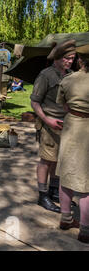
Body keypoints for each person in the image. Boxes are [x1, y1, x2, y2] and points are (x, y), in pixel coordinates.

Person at [30, 40, 76, 213]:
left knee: (58, 160)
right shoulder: (45, 76)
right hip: (49, 125)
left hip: (66, 125)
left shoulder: (70, 75)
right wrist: (46, 119)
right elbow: (34, 102)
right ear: (57, 58)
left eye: (72, 58)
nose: (70, 61)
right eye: (67, 58)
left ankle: (54, 191)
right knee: (47, 160)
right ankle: (42, 196)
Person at [55, 53, 89, 243]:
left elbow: (63, 105)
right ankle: (85, 229)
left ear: (81, 61)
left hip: (71, 127)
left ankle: (66, 218)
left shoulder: (68, 80)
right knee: (86, 183)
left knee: (66, 174)